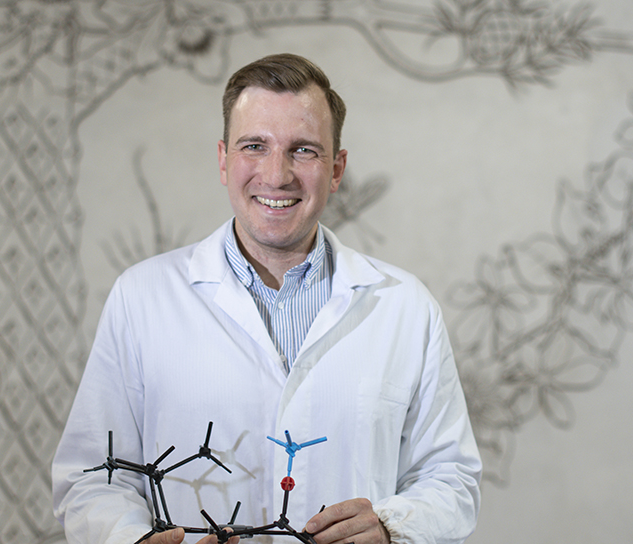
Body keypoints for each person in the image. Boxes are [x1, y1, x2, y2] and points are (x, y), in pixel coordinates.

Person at [52, 53, 481, 544]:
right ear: (223, 160)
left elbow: (453, 479)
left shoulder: (405, 307)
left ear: (337, 169)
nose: (276, 175)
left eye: (304, 150)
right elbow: (92, 477)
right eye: (254, 146)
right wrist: (132, 540)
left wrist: (391, 527)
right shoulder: (142, 298)